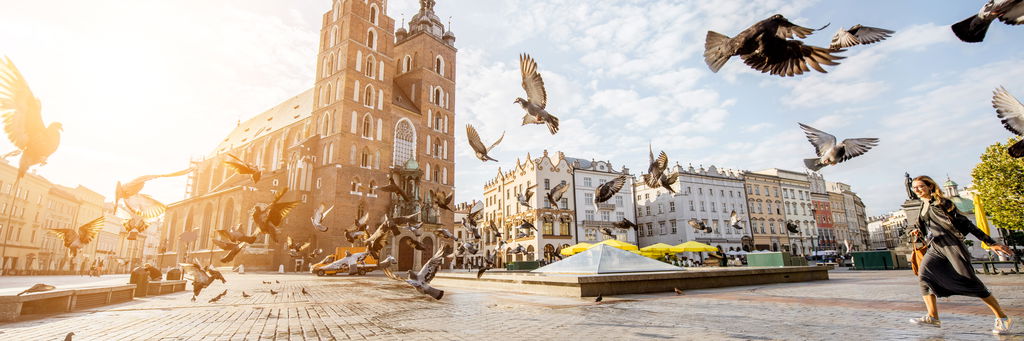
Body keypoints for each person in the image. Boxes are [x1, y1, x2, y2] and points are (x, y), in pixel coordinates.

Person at [908, 176, 1015, 335]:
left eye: (920, 186)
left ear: (930, 186)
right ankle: (933, 316)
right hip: (936, 246)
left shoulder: (942, 203)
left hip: (952, 245)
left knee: (970, 281)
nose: (916, 190)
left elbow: (967, 224)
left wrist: (991, 242)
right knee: (924, 277)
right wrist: (917, 231)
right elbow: (926, 228)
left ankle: (1003, 317)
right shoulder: (922, 205)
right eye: (914, 187)